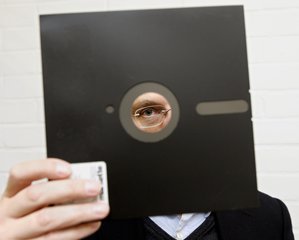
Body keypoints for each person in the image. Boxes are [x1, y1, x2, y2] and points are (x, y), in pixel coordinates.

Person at [0, 93, 295, 239]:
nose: (173, 125)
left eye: (182, 106)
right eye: (148, 111)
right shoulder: (73, 228)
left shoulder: (270, 217)